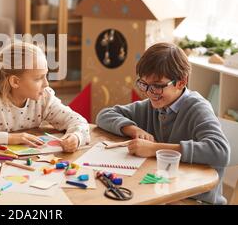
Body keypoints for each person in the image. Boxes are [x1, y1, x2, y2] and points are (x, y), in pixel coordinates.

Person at [96, 42, 230, 204]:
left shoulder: (198, 108)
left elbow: (220, 151)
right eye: (144, 84)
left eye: (157, 86)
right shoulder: (153, 105)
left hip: (194, 198)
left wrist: (154, 149)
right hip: (162, 190)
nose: (149, 93)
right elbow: (104, 115)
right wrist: (132, 129)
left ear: (181, 82)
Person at [0, 41, 90, 152]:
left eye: (45, 75)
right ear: (15, 81)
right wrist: (10, 138)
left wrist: (76, 137)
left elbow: (78, 121)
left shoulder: (44, 98)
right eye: (38, 78)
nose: (46, 83)